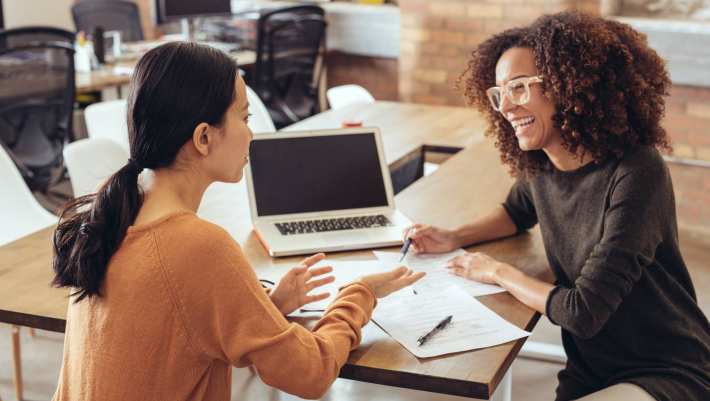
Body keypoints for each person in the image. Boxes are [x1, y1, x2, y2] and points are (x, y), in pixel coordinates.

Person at [51, 42, 424, 401]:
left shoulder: (112, 208)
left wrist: (266, 307)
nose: (251, 133)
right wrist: (360, 293)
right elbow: (310, 372)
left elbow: (172, 328)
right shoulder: (197, 244)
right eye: (245, 118)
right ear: (203, 137)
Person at [405, 12, 710, 401]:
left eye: (518, 87)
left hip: (664, 366)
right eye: (500, 93)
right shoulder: (544, 164)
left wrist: (497, 272)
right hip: (591, 366)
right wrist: (452, 236)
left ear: (569, 85)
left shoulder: (637, 171)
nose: (506, 107)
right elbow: (516, 212)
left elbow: (582, 311)